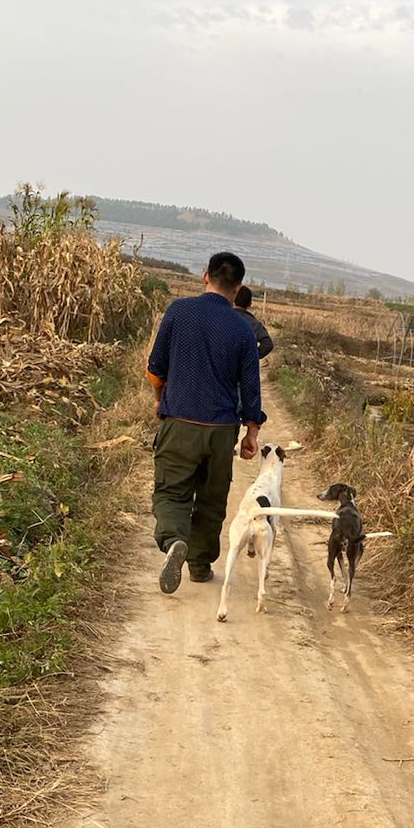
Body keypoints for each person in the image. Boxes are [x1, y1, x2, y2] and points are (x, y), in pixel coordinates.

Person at [146, 251, 266, 593]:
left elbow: (156, 368)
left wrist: (159, 400)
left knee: (172, 491)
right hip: (221, 430)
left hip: (180, 420)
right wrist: (251, 432)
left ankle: (173, 542)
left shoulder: (178, 312)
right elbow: (251, 388)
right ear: (238, 286)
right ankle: (199, 566)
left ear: (205, 277)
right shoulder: (243, 331)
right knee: (212, 498)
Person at [234, 285, 274, 359]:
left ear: (233, 300)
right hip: (244, 368)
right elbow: (268, 344)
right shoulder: (254, 324)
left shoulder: (223, 317)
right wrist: (252, 357)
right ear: (250, 303)